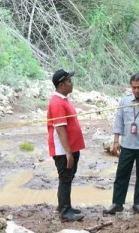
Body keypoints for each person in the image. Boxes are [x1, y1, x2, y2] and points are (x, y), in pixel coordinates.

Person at [103, 73, 139, 215]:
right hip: (127, 146)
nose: (137, 90)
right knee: (121, 175)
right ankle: (117, 203)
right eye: (134, 87)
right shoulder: (125, 101)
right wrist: (115, 141)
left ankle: (138, 203)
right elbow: (118, 121)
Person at [47, 69, 86, 222]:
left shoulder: (63, 99)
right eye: (69, 81)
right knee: (65, 178)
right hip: (63, 149)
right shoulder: (57, 102)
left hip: (70, 148)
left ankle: (64, 206)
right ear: (61, 84)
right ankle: (65, 211)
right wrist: (68, 153)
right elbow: (60, 129)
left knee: (68, 177)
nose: (72, 83)